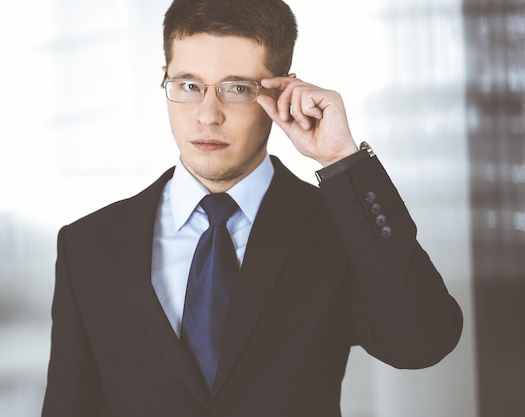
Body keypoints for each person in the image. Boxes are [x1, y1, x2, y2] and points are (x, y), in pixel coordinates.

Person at [41, 0, 463, 416]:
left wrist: (342, 161)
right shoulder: (88, 244)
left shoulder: (339, 228)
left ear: (281, 90)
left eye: (237, 88)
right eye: (189, 85)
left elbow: (422, 341)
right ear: (165, 80)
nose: (208, 116)